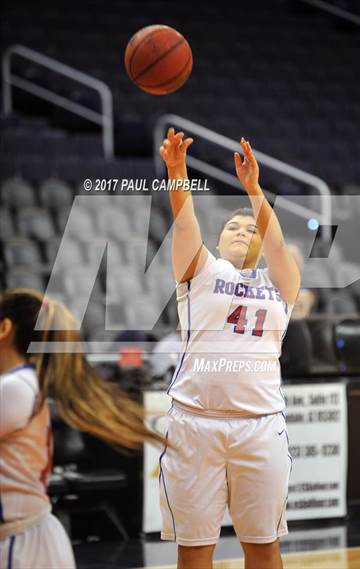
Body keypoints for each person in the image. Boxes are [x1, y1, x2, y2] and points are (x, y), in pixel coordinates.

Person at [158, 128, 301, 569]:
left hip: (260, 429)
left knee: (262, 548)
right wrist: (177, 170)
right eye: (231, 227)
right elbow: (185, 221)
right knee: (195, 552)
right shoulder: (200, 270)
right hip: (195, 425)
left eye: (250, 228)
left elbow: (278, 243)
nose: (242, 231)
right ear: (217, 241)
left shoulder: (281, 282)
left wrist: (255, 191)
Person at [0, 288, 164, 569]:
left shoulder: (14, 388)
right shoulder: (24, 383)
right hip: (28, 537)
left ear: (4, 328)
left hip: (20, 544)